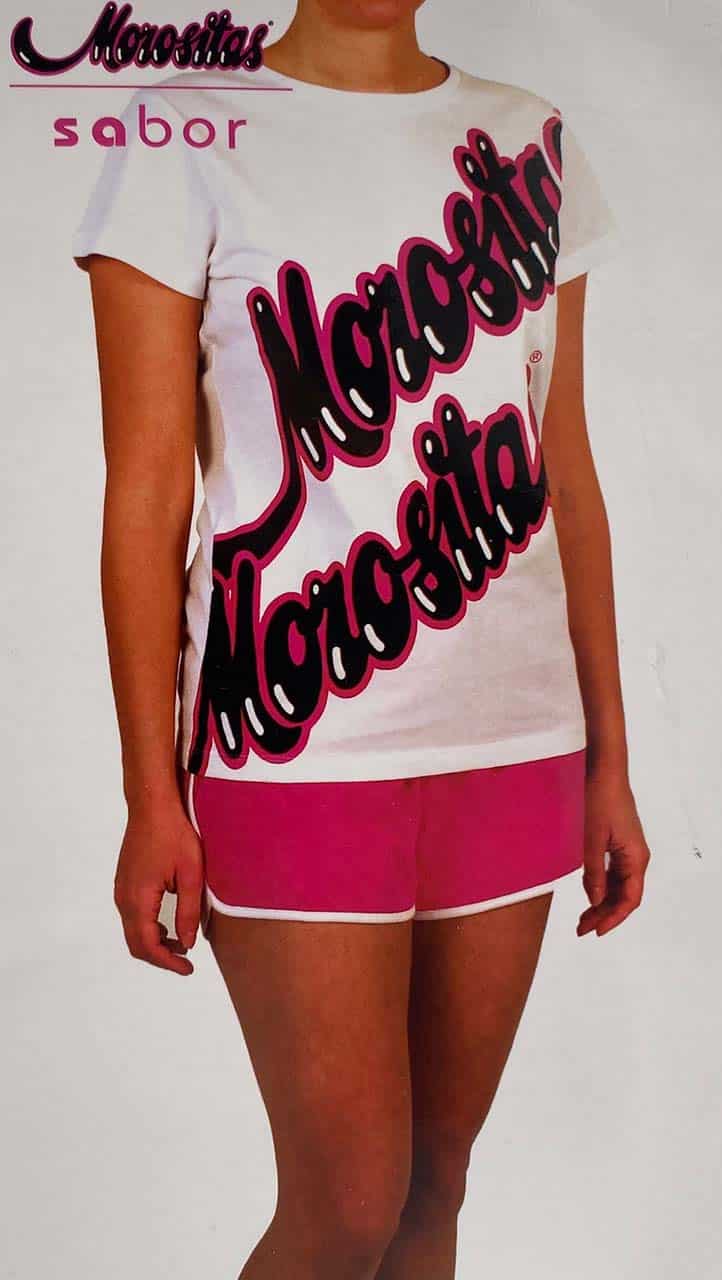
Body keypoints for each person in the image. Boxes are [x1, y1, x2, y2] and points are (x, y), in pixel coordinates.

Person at [71, 2, 651, 1276]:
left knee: (432, 1191)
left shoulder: (531, 139)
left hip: (515, 743)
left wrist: (610, 758)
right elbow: (147, 492)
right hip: (293, 748)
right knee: (344, 1203)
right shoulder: (182, 134)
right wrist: (149, 792)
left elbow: (565, 467)